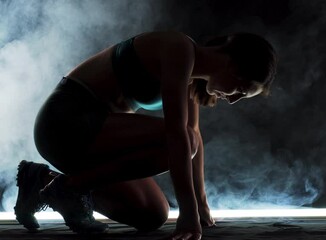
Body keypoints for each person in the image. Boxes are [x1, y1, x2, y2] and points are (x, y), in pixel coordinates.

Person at [14, 31, 277, 239]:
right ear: (232, 63)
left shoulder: (190, 79)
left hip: (95, 141)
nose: (233, 100)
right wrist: (187, 212)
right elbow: (177, 136)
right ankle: (69, 188)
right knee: (183, 140)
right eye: (241, 89)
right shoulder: (178, 48)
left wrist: (200, 207)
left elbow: (192, 136)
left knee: (152, 214)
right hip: (63, 124)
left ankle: (40, 182)